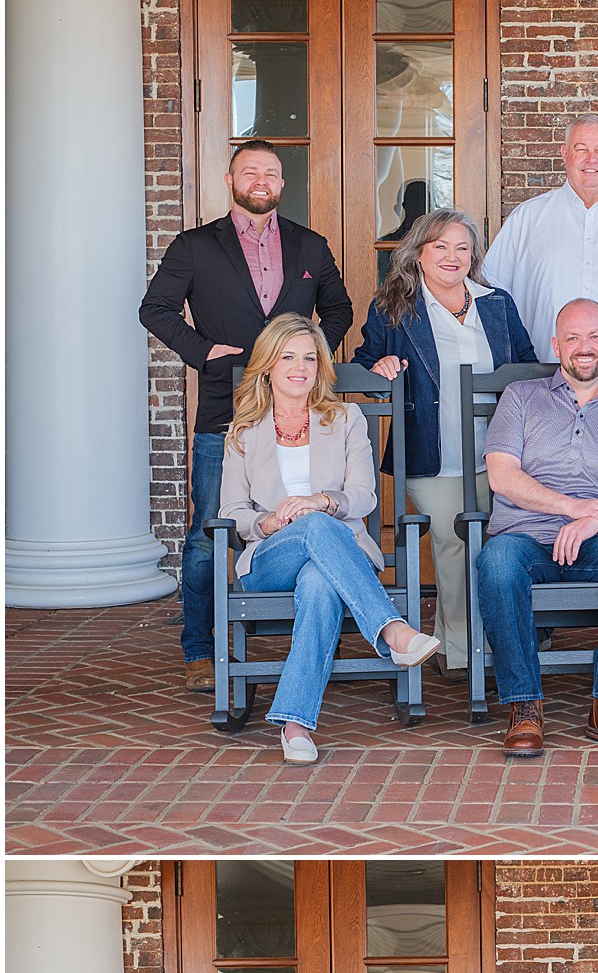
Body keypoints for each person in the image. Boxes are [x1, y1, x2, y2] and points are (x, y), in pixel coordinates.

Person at [139, 138, 354, 693]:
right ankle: (200, 650)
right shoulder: (194, 246)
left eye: (272, 173)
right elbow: (154, 308)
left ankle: (315, 633)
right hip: (224, 412)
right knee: (210, 528)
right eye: (250, 171)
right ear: (232, 180)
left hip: (299, 413)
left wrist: (308, 354)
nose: (262, 181)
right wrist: (203, 351)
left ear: (283, 185)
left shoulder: (310, 245)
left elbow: (339, 309)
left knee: (307, 513)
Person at [217, 315, 440, 764]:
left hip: (335, 554)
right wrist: (273, 523)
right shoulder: (244, 431)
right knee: (314, 528)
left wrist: (320, 501)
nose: (300, 367)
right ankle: (392, 629)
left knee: (320, 579)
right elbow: (232, 515)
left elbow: (363, 496)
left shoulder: (345, 419)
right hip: (271, 557)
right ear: (267, 365)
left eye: (310, 358)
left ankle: (295, 723)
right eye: (288, 357)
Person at [476, 297, 598, 757]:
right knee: (497, 562)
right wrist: (573, 508)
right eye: (574, 338)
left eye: (595, 337)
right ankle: (524, 707)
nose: (585, 347)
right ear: (556, 345)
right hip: (525, 537)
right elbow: (502, 475)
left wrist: (595, 521)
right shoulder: (520, 398)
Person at [352, 209, 536, 682]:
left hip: (501, 453)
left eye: (461, 247)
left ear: (473, 254)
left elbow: (528, 366)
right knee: (453, 541)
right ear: (418, 253)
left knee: (497, 545)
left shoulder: (497, 304)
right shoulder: (393, 307)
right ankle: (461, 654)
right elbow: (365, 362)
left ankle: (494, 640)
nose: (452, 257)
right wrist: (380, 368)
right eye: (440, 246)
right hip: (431, 453)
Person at [482, 113, 598, 357]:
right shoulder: (526, 219)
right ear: (564, 153)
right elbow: (491, 293)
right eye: (581, 149)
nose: (591, 159)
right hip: (542, 374)